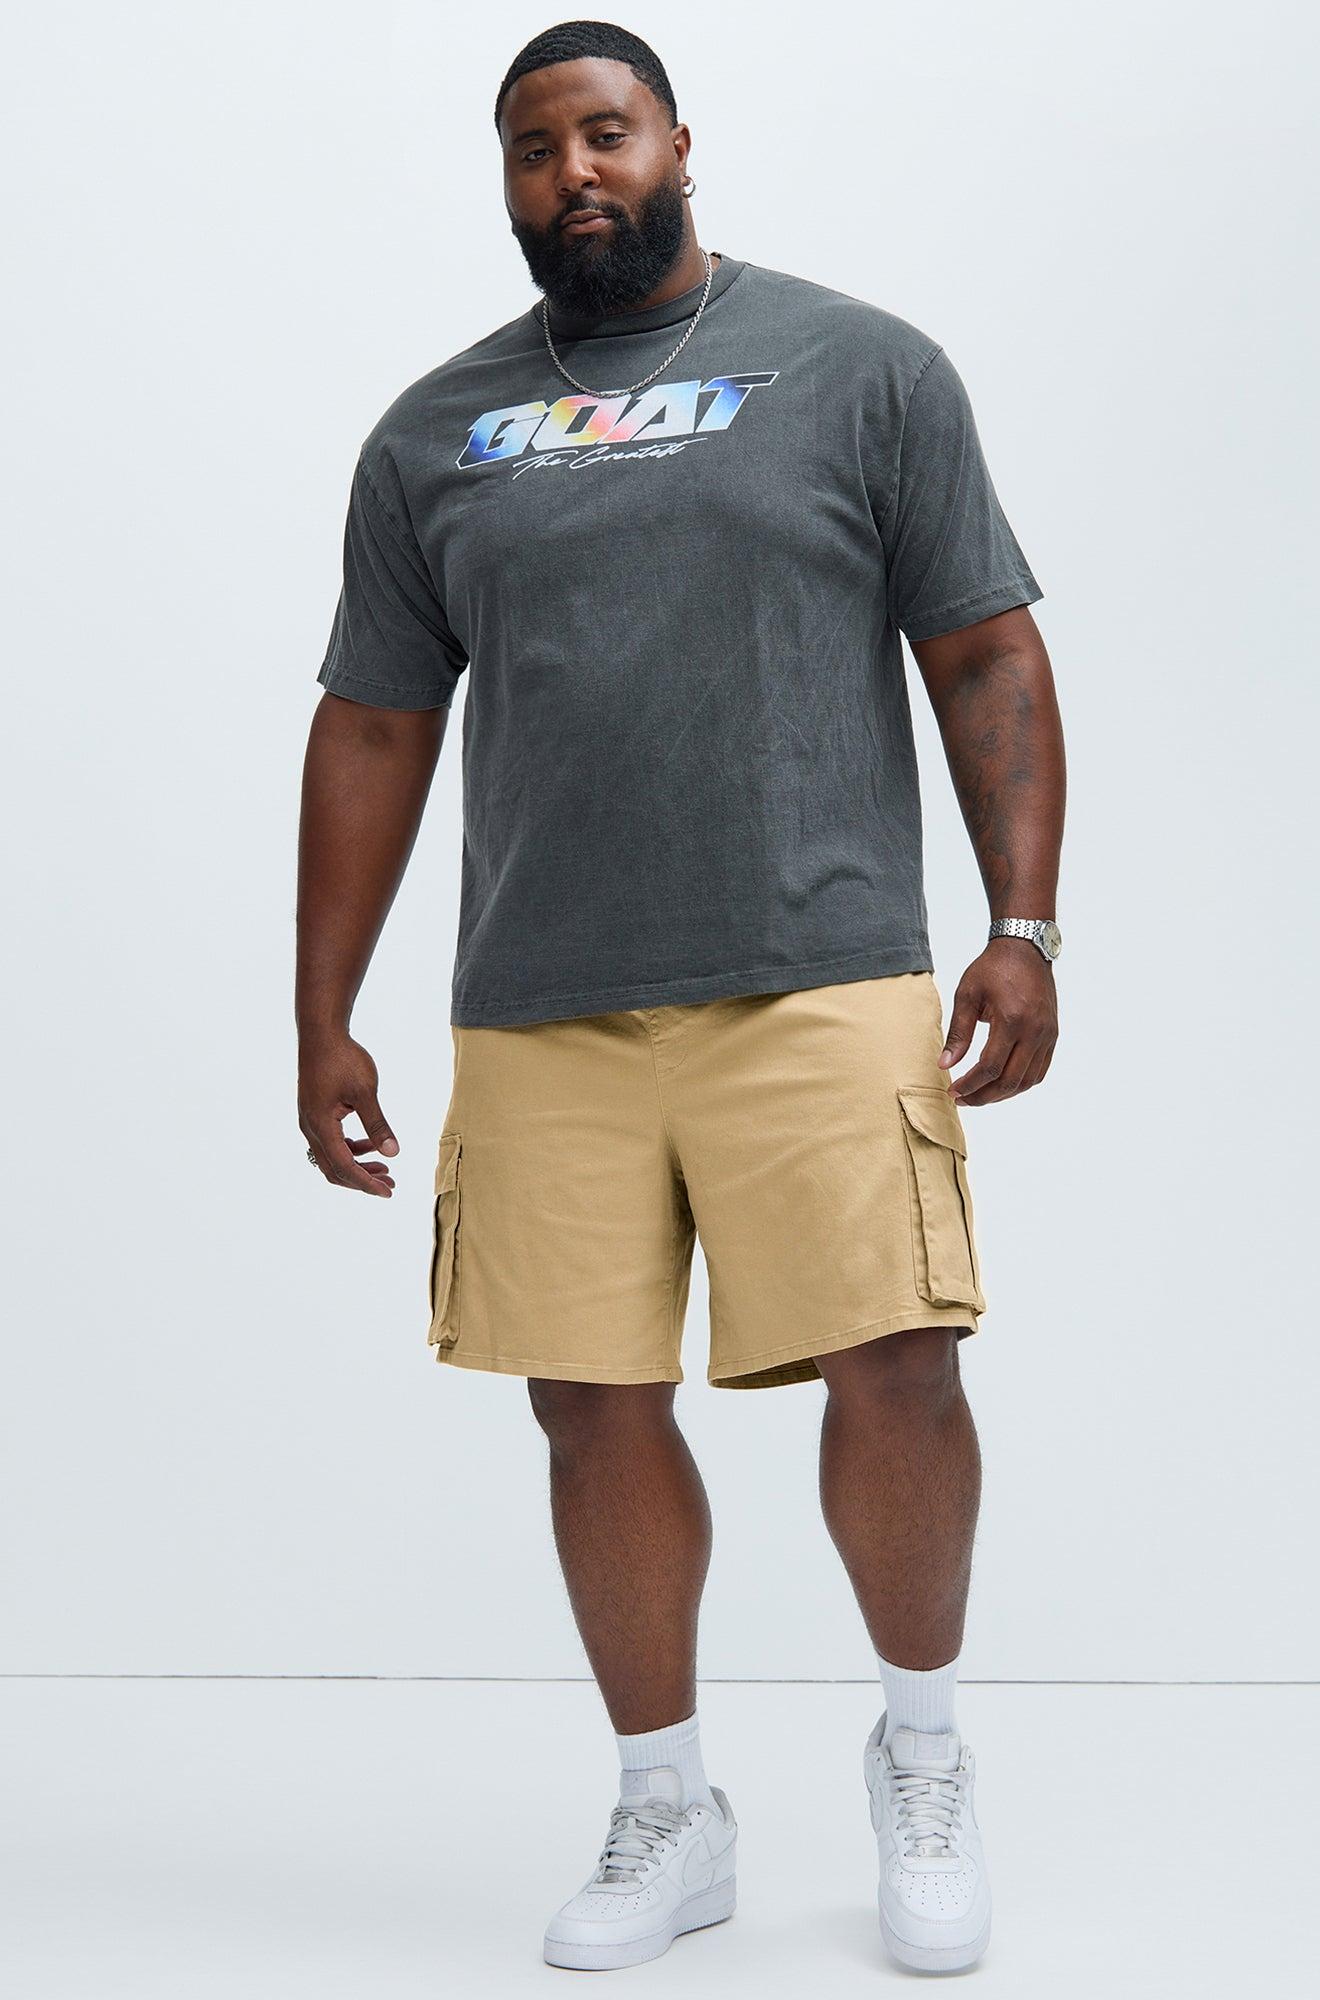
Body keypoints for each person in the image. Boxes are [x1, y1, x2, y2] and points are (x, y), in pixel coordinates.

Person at [296, 18, 1065, 1977]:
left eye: (605, 130)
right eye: (532, 145)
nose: (573, 170)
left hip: (821, 970)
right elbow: (372, 726)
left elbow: (983, 651)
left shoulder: (859, 368)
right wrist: (322, 1012)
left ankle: (921, 1752)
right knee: (587, 1405)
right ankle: (669, 1804)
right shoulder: (433, 432)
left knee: (898, 1362)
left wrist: (1026, 925)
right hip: (541, 996)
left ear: (677, 141)